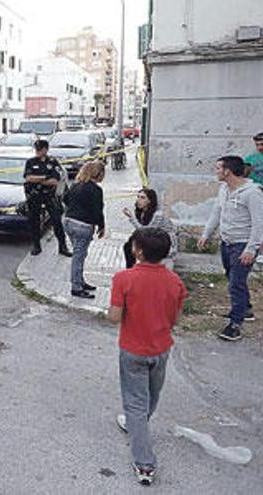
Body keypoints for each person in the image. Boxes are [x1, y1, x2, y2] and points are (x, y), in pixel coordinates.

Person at [108, 228, 187, 487]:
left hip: (132, 350)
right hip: (161, 349)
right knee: (151, 396)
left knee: (135, 403)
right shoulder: (175, 282)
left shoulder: (123, 278)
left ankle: (144, 463)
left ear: (138, 251)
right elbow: (175, 319)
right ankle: (136, 423)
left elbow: (115, 317)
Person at [198, 155, 263, 342]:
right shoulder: (224, 189)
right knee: (232, 278)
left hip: (242, 244)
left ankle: (235, 324)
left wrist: (251, 249)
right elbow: (216, 213)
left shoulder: (252, 193)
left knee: (236, 283)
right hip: (227, 242)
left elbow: (259, 224)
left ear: (227, 171)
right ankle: (246, 309)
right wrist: (206, 234)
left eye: (218, 168)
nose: (216, 171)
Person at [63, 161, 106, 299]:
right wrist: (101, 226)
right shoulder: (96, 190)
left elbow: (65, 199)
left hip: (68, 222)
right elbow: (97, 211)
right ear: (97, 174)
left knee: (79, 254)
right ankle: (76, 287)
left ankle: (80, 281)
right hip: (83, 226)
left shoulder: (75, 185)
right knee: (79, 256)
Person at [24, 140, 71, 257]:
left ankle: (62, 246)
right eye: (37, 149)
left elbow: (55, 181)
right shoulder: (30, 162)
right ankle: (36, 245)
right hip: (34, 196)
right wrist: (45, 177)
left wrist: (37, 179)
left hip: (49, 196)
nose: (38, 152)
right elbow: (28, 178)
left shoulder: (53, 162)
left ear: (45, 149)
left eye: (40, 149)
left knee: (56, 221)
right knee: (34, 221)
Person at [121, 188, 177, 268]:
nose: (139, 200)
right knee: (128, 245)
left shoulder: (158, 215)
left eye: (143, 198)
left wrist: (131, 218)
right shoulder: (142, 212)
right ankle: (130, 269)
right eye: (138, 197)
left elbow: (147, 232)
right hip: (153, 239)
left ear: (150, 201)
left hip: (164, 243)